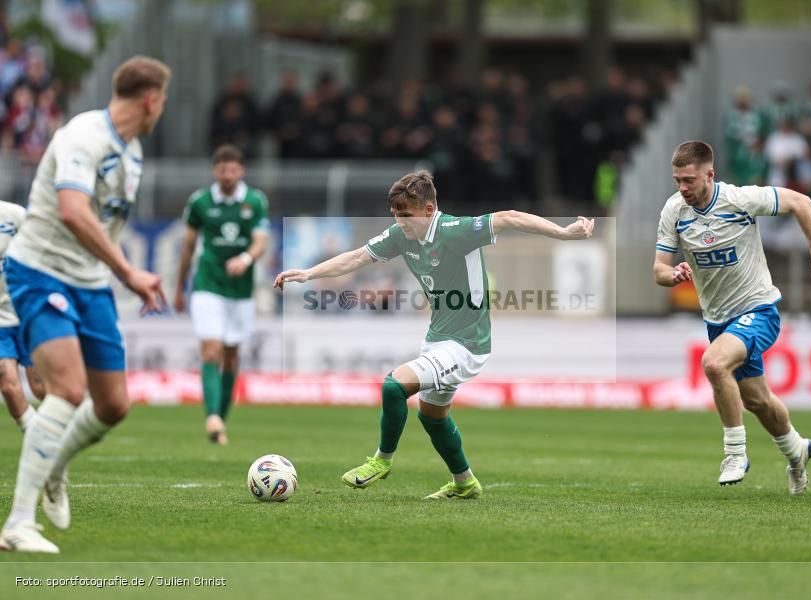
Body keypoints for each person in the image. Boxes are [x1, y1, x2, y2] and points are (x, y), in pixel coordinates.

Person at [274, 170, 594, 499]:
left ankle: (381, 461)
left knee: (394, 385)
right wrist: (309, 273)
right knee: (432, 416)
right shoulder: (402, 235)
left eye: (406, 215)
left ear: (428, 211)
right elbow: (357, 257)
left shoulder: (456, 231)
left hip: (468, 344)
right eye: (396, 215)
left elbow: (508, 217)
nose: (400, 222)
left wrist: (564, 233)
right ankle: (465, 483)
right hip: (439, 338)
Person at [0, 56, 170, 554]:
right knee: (67, 390)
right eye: (164, 100)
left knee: (114, 404)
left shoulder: (132, 152)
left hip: (89, 280)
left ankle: (51, 466)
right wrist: (129, 272)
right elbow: (73, 212)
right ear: (151, 99)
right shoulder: (82, 136)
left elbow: (103, 223)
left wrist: (112, 273)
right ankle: (18, 523)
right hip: (40, 269)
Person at [654, 140, 811, 495]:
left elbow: (802, 202)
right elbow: (658, 269)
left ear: (710, 174)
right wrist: (671, 274)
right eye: (677, 180)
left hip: (758, 310)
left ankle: (735, 452)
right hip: (718, 321)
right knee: (757, 401)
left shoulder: (740, 200)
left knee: (713, 364)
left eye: (689, 180)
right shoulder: (674, 210)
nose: (682, 188)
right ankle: (797, 451)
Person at [174, 144, 269, 444]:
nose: (227, 175)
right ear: (215, 171)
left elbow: (260, 241)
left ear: (241, 171)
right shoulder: (200, 202)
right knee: (211, 351)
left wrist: (245, 259)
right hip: (207, 285)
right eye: (222, 170)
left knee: (231, 356)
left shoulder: (254, 201)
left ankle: (220, 421)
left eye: (233, 169)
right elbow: (188, 246)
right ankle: (212, 417)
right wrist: (179, 287)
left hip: (241, 291)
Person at [0, 200, 46, 431]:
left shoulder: (13, 214)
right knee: (8, 385)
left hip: (26, 311)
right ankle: (39, 439)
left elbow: (40, 247)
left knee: (41, 388)